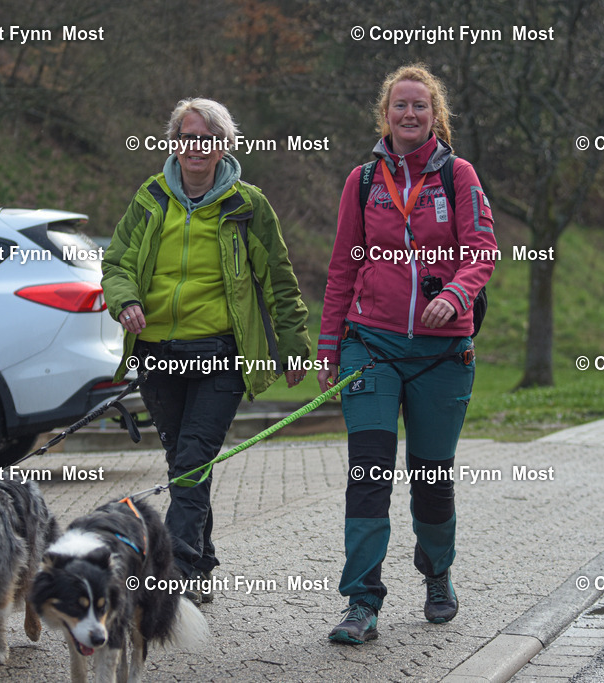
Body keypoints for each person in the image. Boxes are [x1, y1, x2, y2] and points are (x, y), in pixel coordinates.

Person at [102, 97, 310, 604]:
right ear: (174, 143)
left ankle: (180, 573)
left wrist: (294, 345)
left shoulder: (248, 206)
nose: (196, 146)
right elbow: (117, 262)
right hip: (157, 353)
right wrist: (124, 300)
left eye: (207, 137)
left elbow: (278, 280)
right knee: (183, 462)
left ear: (223, 146)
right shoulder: (151, 197)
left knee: (192, 461)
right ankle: (202, 556)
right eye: (187, 136)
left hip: (219, 353)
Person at [316, 64, 497, 643]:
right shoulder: (363, 180)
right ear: (386, 114)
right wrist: (328, 348)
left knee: (431, 478)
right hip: (371, 347)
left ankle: (437, 573)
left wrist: (456, 293)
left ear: (434, 115)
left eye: (420, 106)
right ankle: (362, 601)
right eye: (400, 105)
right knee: (368, 475)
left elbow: (482, 249)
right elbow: (343, 266)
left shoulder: (458, 176)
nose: (409, 114)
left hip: (443, 356)